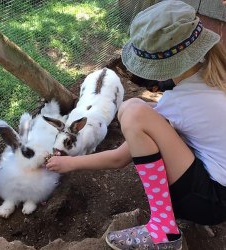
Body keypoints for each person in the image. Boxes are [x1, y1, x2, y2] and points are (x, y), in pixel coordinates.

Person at [46, 1, 226, 249]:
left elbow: (119, 159)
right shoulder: (212, 72)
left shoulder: (177, 105)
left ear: (160, 69)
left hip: (213, 202)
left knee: (133, 111)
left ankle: (163, 230)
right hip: (219, 187)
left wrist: (69, 163)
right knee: (146, 110)